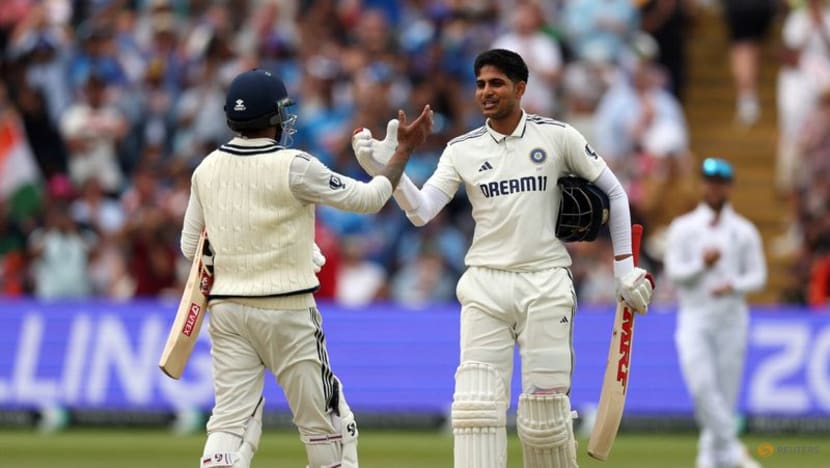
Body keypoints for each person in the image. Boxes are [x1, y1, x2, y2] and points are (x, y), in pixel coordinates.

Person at [352, 49, 655, 468]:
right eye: (480, 84)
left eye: (496, 83)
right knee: (476, 411)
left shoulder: (558, 137)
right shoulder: (462, 149)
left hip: (545, 282)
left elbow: (616, 193)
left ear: (520, 88)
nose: (486, 92)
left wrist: (624, 270)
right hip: (485, 285)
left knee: (545, 419)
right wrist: (392, 171)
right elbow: (422, 212)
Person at [179, 69, 432, 468]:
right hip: (287, 310)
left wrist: (270, 245)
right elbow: (368, 199)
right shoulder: (294, 164)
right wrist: (401, 153)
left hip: (227, 311)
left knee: (229, 424)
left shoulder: (206, 168)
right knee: (330, 428)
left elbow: (190, 247)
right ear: (273, 116)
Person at [664, 157, 766, 468]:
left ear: (729, 188)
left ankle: (710, 458)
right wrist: (702, 265)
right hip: (695, 318)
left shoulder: (744, 231)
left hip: (732, 320)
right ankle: (733, 452)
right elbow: (675, 273)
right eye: (709, 182)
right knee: (702, 388)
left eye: (720, 183)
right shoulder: (683, 228)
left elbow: (758, 277)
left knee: (725, 397)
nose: (714, 188)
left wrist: (733, 285)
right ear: (701, 185)